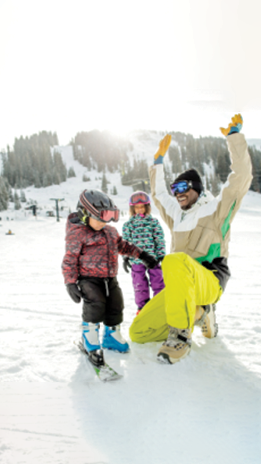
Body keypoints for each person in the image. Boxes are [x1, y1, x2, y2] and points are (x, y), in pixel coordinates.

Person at [129, 114, 253, 364]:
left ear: (197, 187)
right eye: (175, 190)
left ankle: (180, 336)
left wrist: (234, 138)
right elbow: (158, 193)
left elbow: (241, 178)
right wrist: (157, 162)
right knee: (138, 332)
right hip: (181, 286)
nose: (178, 194)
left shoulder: (217, 209)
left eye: (183, 187)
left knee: (174, 260)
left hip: (209, 280)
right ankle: (199, 313)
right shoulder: (177, 215)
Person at [61, 189, 158, 362]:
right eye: (100, 217)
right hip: (88, 279)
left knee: (116, 304)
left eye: (108, 217)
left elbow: (124, 246)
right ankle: (89, 337)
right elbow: (69, 259)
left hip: (110, 278)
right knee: (95, 304)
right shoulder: (78, 234)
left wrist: (143, 255)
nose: (103, 222)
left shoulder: (110, 232)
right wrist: (70, 283)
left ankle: (111, 336)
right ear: (85, 214)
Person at [122, 191, 166, 314]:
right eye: (137, 207)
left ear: (147, 207)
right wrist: (126, 258)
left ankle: (160, 303)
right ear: (133, 209)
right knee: (139, 284)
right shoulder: (128, 225)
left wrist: (161, 254)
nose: (140, 210)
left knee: (158, 281)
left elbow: (159, 239)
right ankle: (142, 307)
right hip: (136, 260)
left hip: (153, 259)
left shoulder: (153, 223)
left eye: (142, 207)